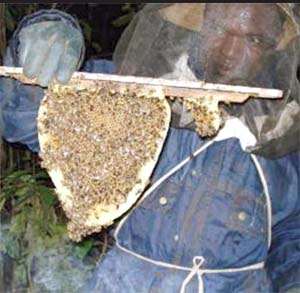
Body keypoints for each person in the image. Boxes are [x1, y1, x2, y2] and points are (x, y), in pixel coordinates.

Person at [0, 3, 299, 292]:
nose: (229, 52)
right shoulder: (131, 93)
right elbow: (22, 117)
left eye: (254, 39)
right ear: (198, 24)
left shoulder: (285, 131)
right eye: (219, 28)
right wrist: (40, 42)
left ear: (274, 48)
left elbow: (292, 235)